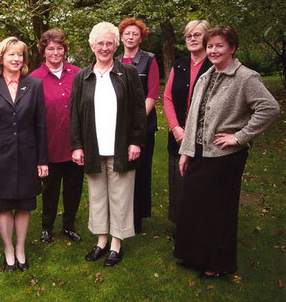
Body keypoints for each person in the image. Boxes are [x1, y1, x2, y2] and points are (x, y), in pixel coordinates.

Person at [175, 26, 280, 278]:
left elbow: (270, 108)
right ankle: (194, 256)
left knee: (218, 212)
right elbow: (193, 118)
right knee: (194, 206)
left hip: (226, 157)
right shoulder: (205, 76)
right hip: (201, 152)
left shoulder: (246, 77)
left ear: (232, 48)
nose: (213, 50)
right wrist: (186, 150)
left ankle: (217, 264)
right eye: (210, 46)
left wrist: (240, 136)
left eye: (220, 45)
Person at [70, 22, 146, 267]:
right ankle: (101, 240)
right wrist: (77, 145)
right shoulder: (82, 76)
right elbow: (75, 115)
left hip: (120, 146)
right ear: (92, 45)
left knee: (121, 195)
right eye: (99, 43)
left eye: (109, 43)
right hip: (93, 147)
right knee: (98, 196)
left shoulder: (128, 73)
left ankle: (116, 243)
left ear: (116, 45)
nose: (104, 47)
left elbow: (138, 111)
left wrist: (136, 141)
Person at [0, 37, 48, 271]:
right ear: (1, 58)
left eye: (20, 55)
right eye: (11, 54)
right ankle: (8, 249)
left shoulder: (35, 85)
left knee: (25, 205)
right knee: (4, 205)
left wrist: (42, 159)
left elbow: (40, 125)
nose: (16, 59)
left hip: (28, 157)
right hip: (0, 159)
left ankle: (21, 249)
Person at [30, 29, 84, 244]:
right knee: (50, 191)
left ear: (64, 50)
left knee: (74, 189)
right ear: (43, 51)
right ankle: (47, 227)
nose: (55, 52)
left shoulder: (78, 74)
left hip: (75, 144)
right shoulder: (34, 78)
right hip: (49, 145)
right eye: (50, 48)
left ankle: (69, 226)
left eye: (59, 48)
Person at [163, 20, 212, 226]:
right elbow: (167, 99)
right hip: (178, 135)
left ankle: (199, 227)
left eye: (197, 35)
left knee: (201, 184)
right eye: (189, 35)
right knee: (178, 183)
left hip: (204, 136)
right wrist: (175, 128)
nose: (192, 39)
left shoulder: (214, 64)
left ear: (207, 37)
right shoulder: (179, 65)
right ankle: (180, 226)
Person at [117, 18, 160, 233]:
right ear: (121, 37)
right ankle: (121, 213)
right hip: (118, 126)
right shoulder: (115, 60)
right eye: (127, 33)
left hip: (143, 126)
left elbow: (152, 93)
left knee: (141, 172)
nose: (131, 37)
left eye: (135, 34)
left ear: (141, 37)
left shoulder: (149, 60)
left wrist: (137, 120)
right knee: (122, 172)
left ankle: (138, 217)